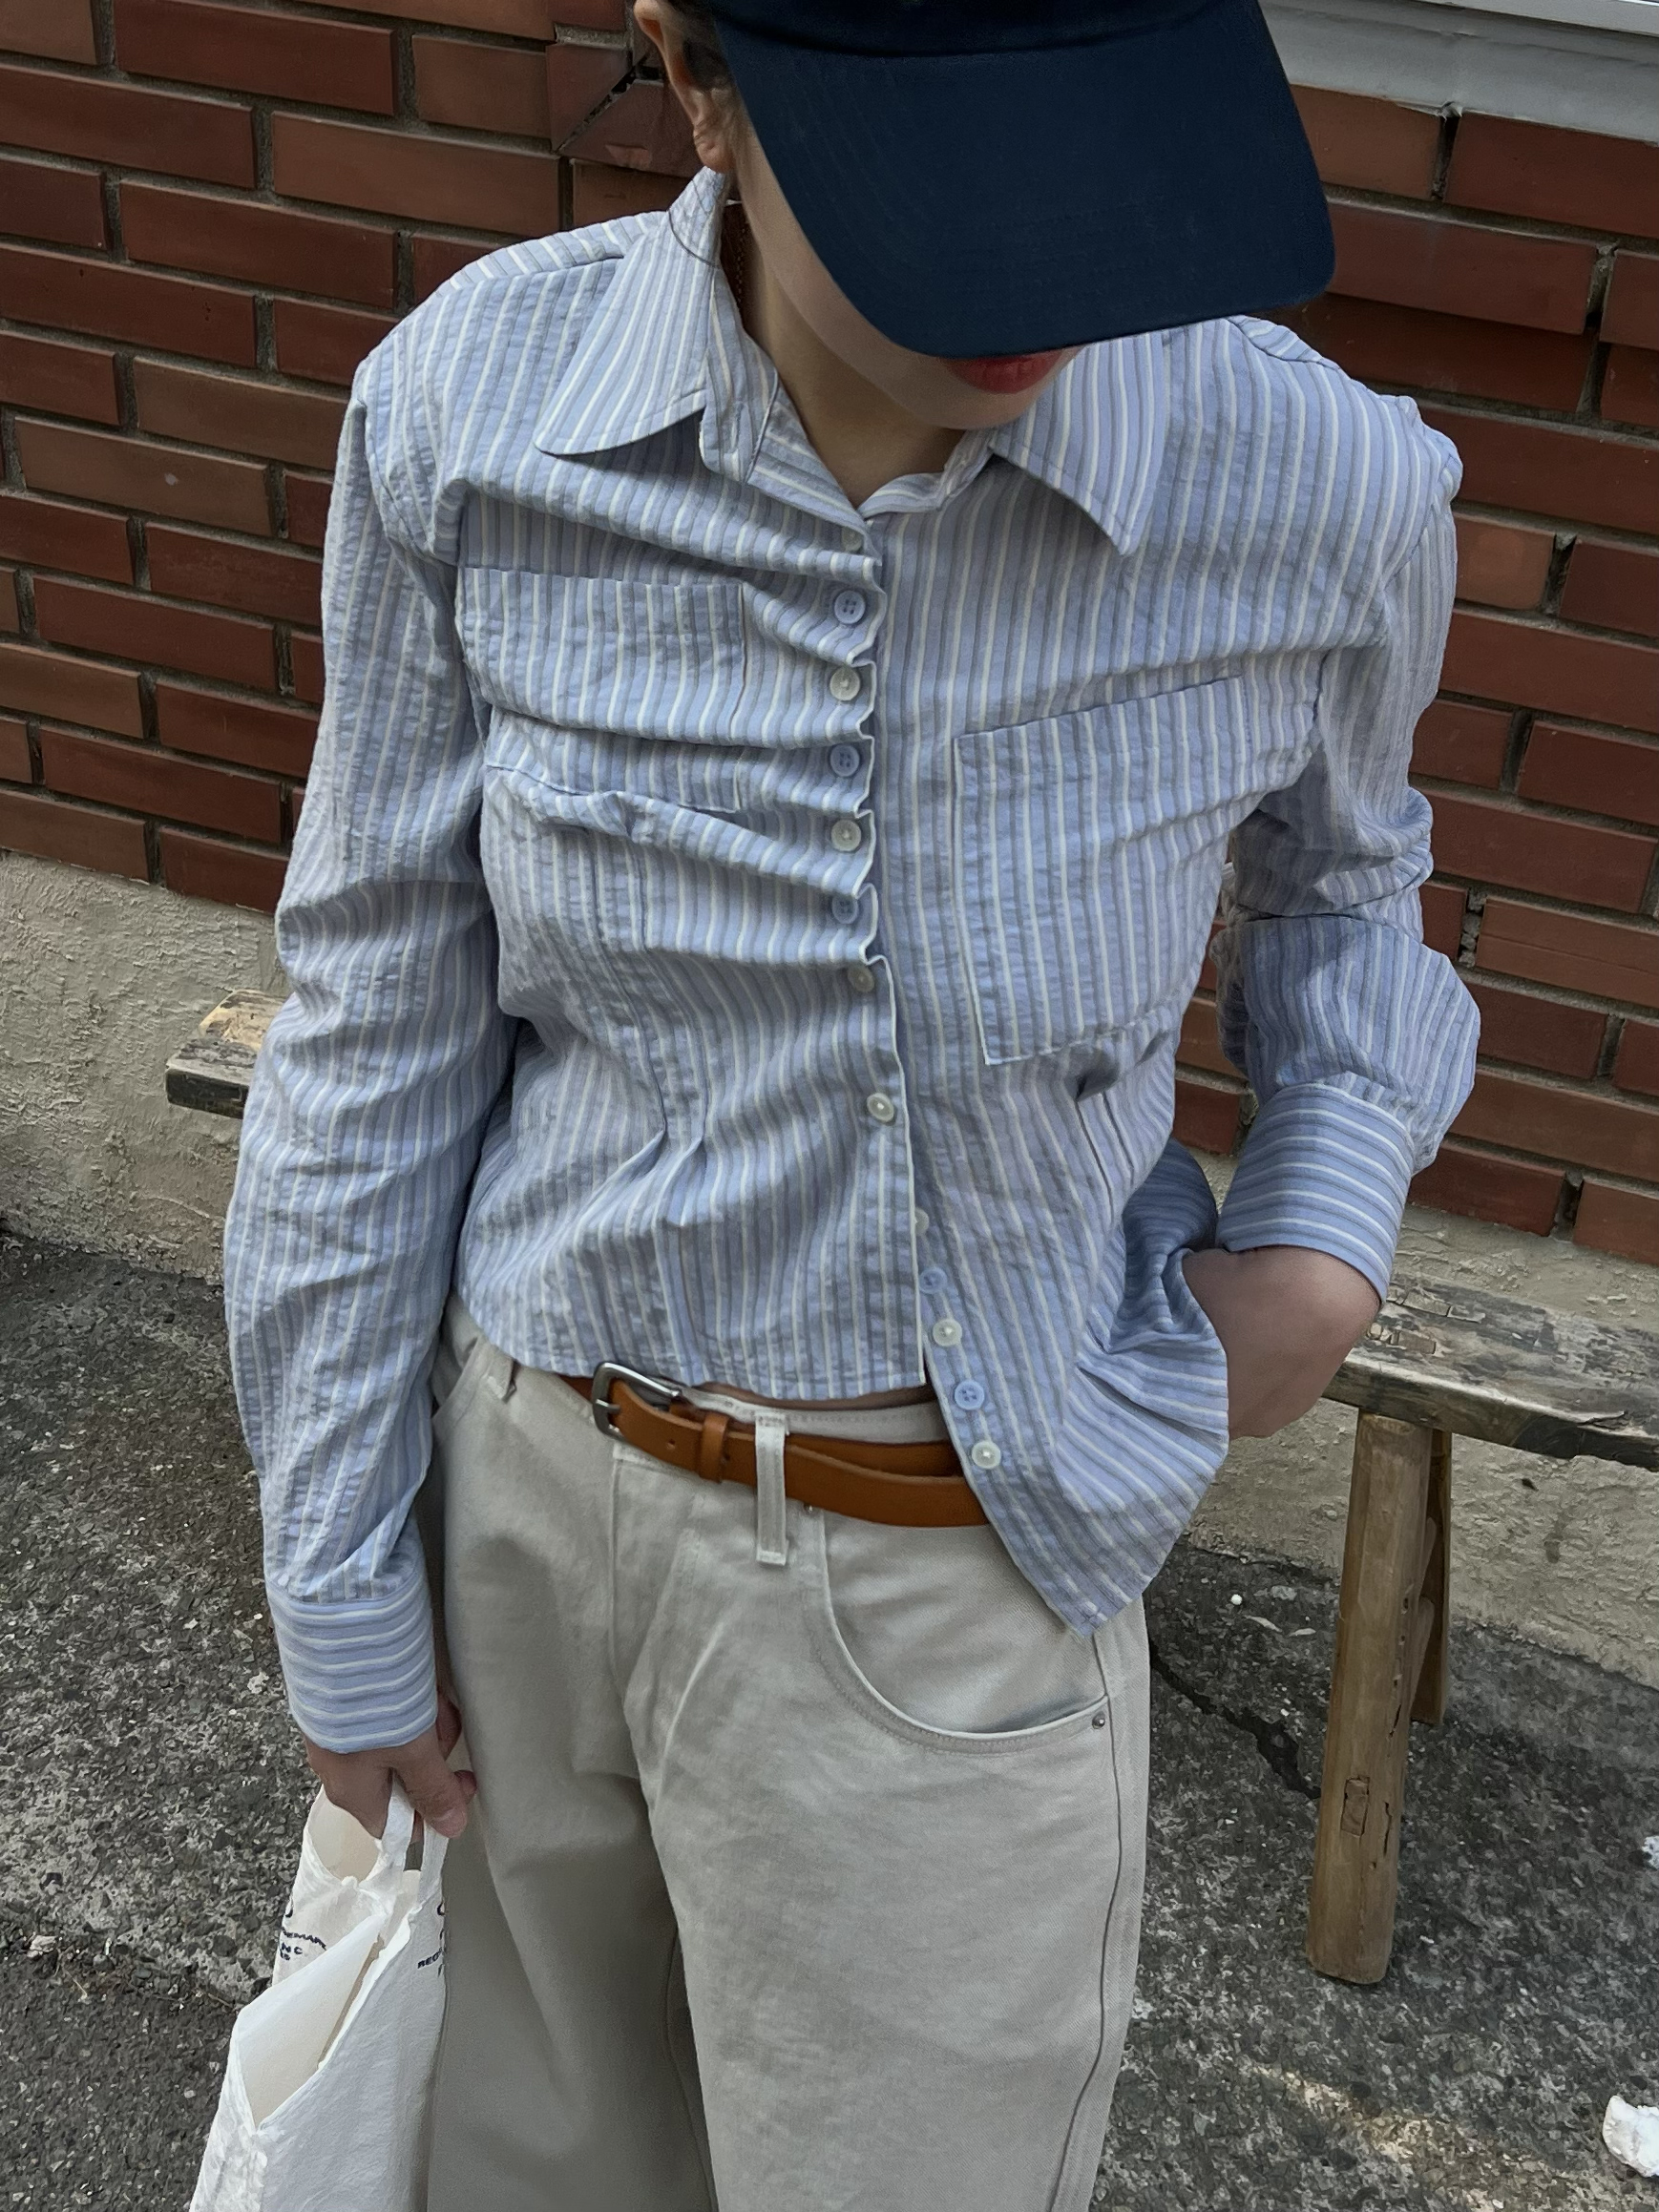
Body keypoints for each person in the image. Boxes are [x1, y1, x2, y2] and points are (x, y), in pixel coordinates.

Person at [222, 1, 1479, 2203]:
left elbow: (1349, 883)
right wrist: (336, 1565)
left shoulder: (1311, 483)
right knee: (518, 2173)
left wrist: (1318, 1226)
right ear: (699, 78)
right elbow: (377, 1007)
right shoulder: (472, 409)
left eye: (1089, 165)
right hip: (519, 1512)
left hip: (946, 1551)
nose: (1037, 275)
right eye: (941, 193)